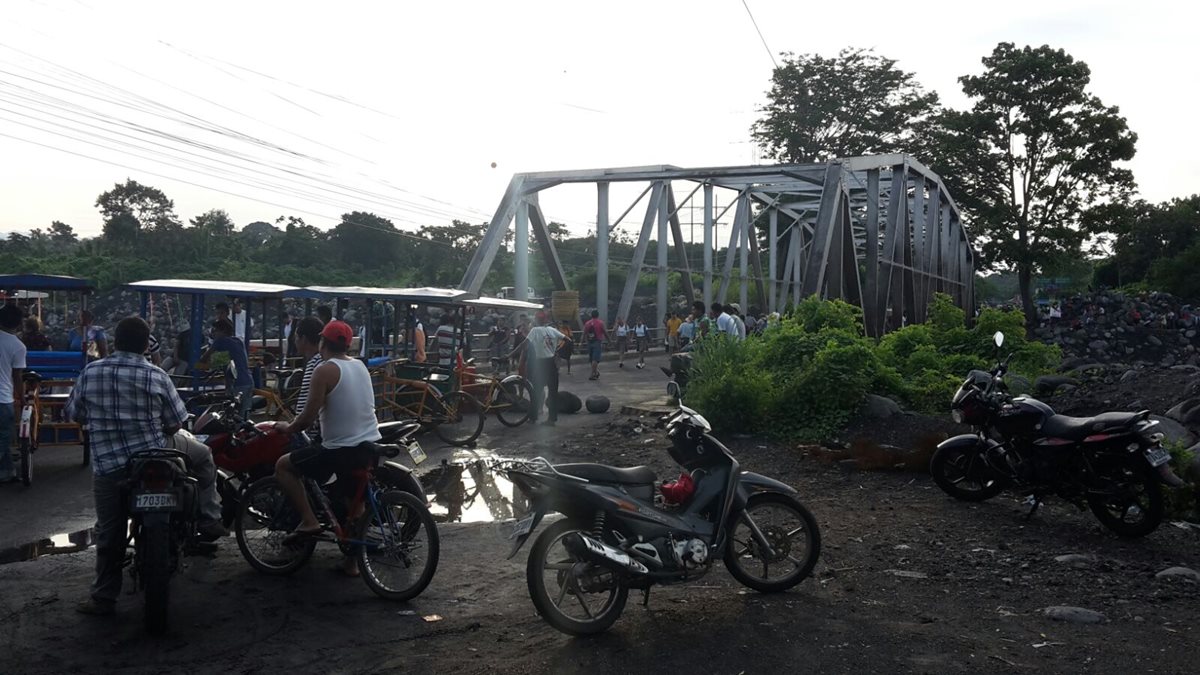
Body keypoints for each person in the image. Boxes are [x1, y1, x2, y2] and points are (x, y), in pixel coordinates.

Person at [67, 317, 225, 616]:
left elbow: (75, 414)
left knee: (110, 532)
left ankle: (103, 597)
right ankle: (208, 517)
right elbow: (176, 422)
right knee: (203, 455)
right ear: (145, 345)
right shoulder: (156, 375)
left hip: (110, 466)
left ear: (115, 343)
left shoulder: (91, 372)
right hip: (157, 455)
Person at [271, 320, 381, 576]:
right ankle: (352, 562)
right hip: (369, 445)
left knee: (284, 466)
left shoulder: (323, 370)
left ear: (322, 343)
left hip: (340, 450)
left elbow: (306, 418)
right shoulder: (360, 366)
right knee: (354, 504)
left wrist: (285, 427)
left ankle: (309, 521)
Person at [202, 319, 254, 421]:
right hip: (248, 382)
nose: (214, 333)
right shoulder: (238, 341)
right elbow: (231, 359)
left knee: (233, 418)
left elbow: (203, 359)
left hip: (237, 385)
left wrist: (197, 366)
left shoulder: (220, 341)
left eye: (215, 330)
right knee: (244, 418)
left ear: (223, 331)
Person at [519, 312, 565, 426]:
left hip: (541, 364)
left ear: (536, 320)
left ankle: (533, 417)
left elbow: (524, 345)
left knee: (536, 391)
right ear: (545, 320)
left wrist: (509, 355)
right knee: (553, 392)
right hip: (552, 363)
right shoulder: (552, 330)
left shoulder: (535, 330)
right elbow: (567, 340)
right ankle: (552, 419)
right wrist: (556, 350)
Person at [0, 305, 27, 483]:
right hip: (3, 398)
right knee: (3, 436)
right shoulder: (17, 346)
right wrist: (23, 399)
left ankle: (7, 470)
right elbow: (17, 377)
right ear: (18, 324)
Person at [292, 316, 325, 438]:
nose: (294, 341)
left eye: (296, 337)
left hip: (316, 437)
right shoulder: (325, 360)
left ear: (304, 339)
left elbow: (304, 413)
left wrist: (289, 428)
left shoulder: (315, 365)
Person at [582, 310, 606, 381]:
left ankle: (596, 372)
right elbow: (605, 332)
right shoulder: (600, 323)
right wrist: (610, 340)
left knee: (592, 359)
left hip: (589, 342)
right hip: (597, 342)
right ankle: (592, 374)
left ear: (591, 315)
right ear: (597, 315)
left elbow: (584, 333)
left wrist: (581, 342)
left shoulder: (587, 323)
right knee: (595, 359)